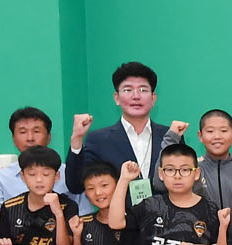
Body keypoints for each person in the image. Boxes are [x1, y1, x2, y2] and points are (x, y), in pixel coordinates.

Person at [68, 62, 172, 194]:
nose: (136, 96)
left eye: (143, 90)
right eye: (128, 90)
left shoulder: (170, 136)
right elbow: (76, 186)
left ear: (153, 98)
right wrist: (76, 139)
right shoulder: (99, 140)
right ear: (116, 98)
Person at [0, 107, 77, 213]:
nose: (30, 138)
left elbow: (83, 214)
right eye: (23, 132)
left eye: (36, 131)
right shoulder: (1, 178)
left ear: (49, 137)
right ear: (14, 139)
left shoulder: (68, 174)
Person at [194, 109, 232, 212]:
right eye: (210, 131)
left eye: (224, 131)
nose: (217, 136)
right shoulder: (190, 170)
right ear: (200, 136)